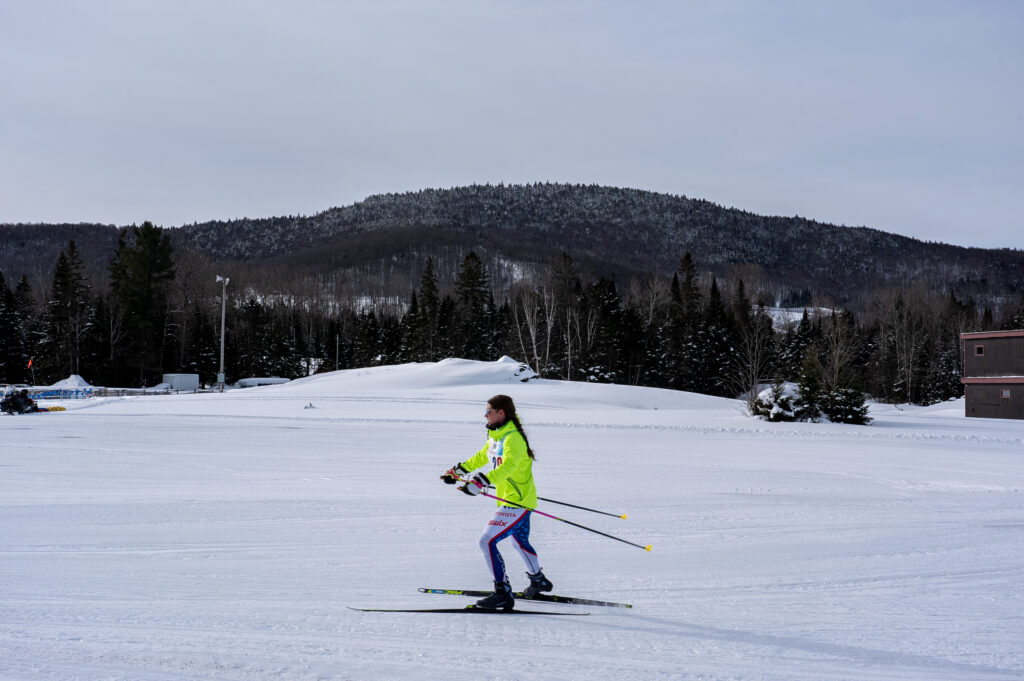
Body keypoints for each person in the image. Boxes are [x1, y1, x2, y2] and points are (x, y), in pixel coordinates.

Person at [441, 394, 554, 610]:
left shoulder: (513, 439)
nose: (485, 415)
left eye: (488, 411)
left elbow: (508, 467)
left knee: (487, 541)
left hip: (516, 501)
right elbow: (484, 455)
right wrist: (459, 471)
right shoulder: (497, 435)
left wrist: (482, 481)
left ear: (500, 413)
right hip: (514, 499)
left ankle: (502, 592)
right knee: (518, 541)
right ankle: (538, 580)